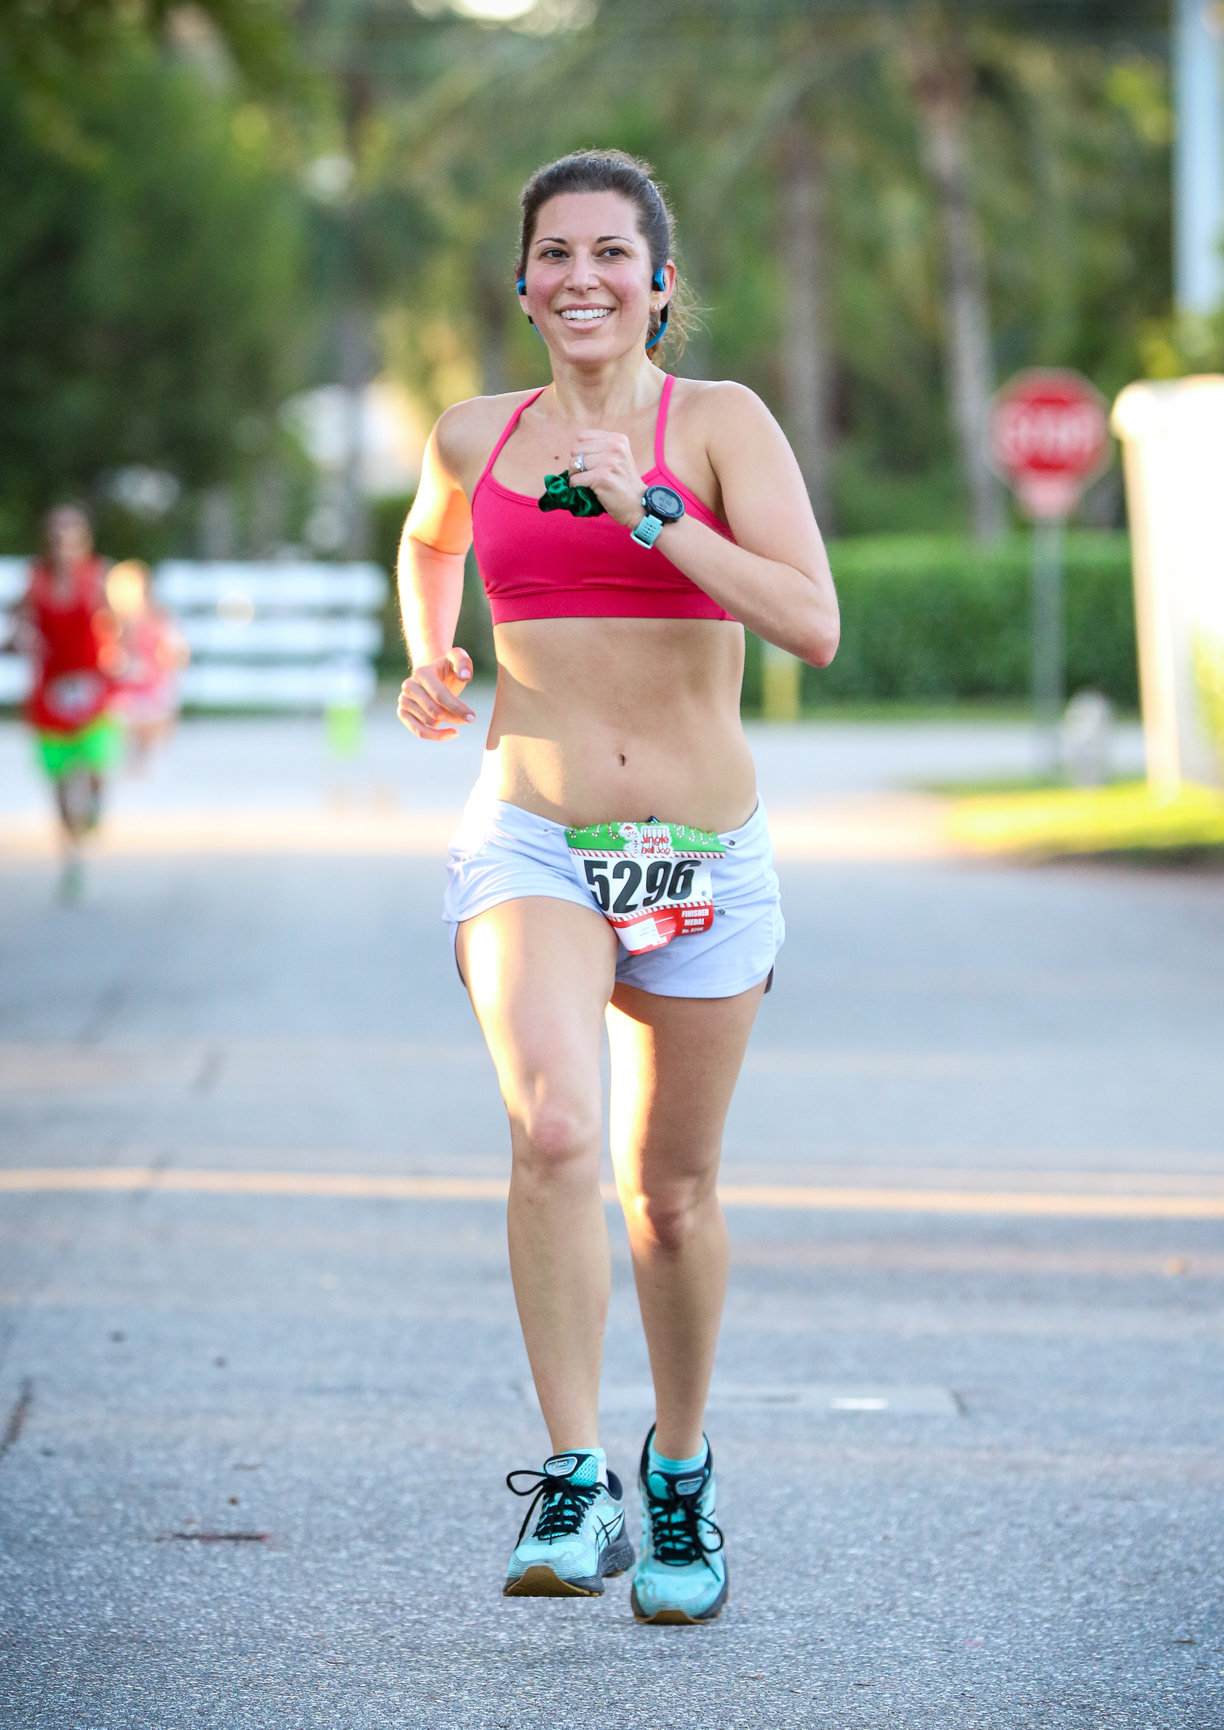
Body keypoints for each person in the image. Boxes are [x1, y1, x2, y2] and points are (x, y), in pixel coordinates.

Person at [396, 150, 838, 1624]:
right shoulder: (476, 431)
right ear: (521, 283)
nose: (582, 277)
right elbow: (428, 536)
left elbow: (812, 622)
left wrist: (653, 513)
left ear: (661, 282)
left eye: (611, 253)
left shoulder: (718, 425)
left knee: (673, 1191)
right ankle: (573, 1472)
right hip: (533, 835)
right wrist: (430, 646)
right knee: (557, 1127)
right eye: (554, 253)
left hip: (704, 857)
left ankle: (681, 1468)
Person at [11, 505, 122, 902]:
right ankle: (72, 858)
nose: (63, 543)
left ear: (83, 539)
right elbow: (19, 624)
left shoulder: (99, 576)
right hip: (51, 691)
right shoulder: (34, 581)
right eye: (57, 535)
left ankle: (95, 802)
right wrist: (24, 637)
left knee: (95, 764)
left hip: (91, 688)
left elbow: (117, 622)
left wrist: (117, 645)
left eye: (71, 534)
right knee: (58, 782)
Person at [106, 559, 189, 770]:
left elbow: (176, 652)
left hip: (152, 688)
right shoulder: (109, 622)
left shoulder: (158, 620)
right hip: (121, 691)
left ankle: (149, 750)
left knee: (160, 701)